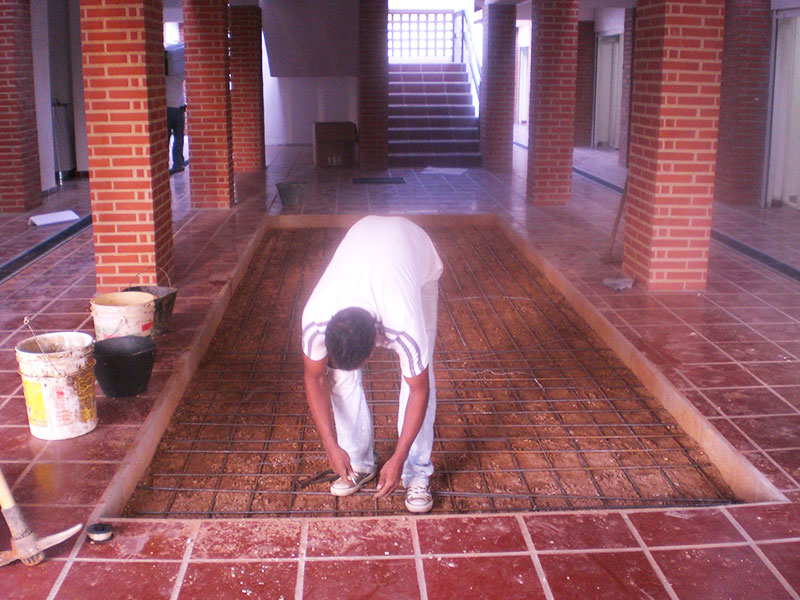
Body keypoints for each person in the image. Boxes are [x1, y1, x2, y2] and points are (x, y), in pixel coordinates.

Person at [301, 216, 442, 513]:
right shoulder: (316, 318)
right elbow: (315, 378)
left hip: (416, 255)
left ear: (378, 339)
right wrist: (330, 445)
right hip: (363, 236)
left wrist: (399, 456)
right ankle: (358, 461)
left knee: (419, 373)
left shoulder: (403, 323)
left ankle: (416, 472)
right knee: (338, 377)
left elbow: (420, 390)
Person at [166, 71, 186, 174]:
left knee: (166, 139)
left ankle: (163, 164)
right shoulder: (178, 76)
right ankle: (178, 163)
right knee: (179, 138)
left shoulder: (162, 79)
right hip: (179, 110)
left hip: (166, 110)